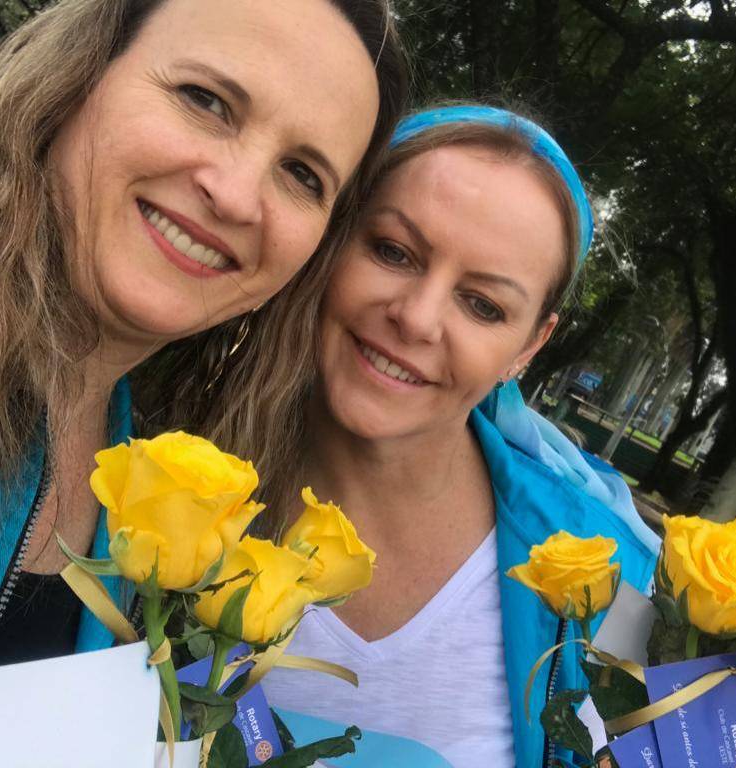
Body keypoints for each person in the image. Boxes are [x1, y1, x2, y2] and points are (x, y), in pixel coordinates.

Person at [0, 1, 407, 764]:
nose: (237, 195)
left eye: (302, 174)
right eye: (206, 100)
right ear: (73, 77)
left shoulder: (168, 494)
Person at [258, 106, 661, 767]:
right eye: (392, 252)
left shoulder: (622, 576)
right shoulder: (168, 470)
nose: (417, 319)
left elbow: (635, 743)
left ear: (529, 346)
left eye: (483, 305)